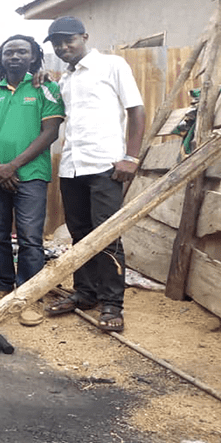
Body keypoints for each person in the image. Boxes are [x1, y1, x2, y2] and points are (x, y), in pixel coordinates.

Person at [43, 17, 145, 332]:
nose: (63, 48)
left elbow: (136, 110)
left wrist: (131, 156)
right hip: (73, 166)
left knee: (107, 236)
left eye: (68, 40)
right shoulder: (65, 80)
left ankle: (113, 303)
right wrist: (43, 79)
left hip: (105, 165)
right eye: (57, 44)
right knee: (80, 234)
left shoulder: (112, 65)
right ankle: (85, 293)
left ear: (84, 36)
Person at [0, 34, 65, 325]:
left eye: (21, 52)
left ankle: (28, 297)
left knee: (29, 238)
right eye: (8, 53)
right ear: (0, 59)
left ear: (33, 57)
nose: (14, 57)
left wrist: (12, 166)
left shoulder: (45, 88)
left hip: (31, 176)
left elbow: (50, 132)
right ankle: (2, 288)